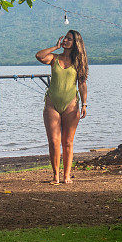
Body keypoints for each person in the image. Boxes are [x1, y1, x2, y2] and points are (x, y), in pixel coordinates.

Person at [35, 30, 88, 184]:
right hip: (52, 104)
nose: (65, 40)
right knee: (53, 141)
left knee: (68, 142)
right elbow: (39, 56)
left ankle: (67, 175)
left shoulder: (79, 62)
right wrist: (55, 47)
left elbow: (82, 84)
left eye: (69, 39)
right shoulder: (54, 58)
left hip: (71, 105)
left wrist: (84, 104)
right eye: (65, 38)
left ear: (75, 43)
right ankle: (55, 175)